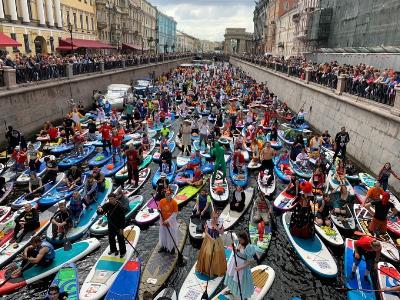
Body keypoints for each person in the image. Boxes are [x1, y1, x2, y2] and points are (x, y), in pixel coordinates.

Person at [224, 231, 260, 299]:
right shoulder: (238, 241)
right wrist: (234, 246)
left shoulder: (249, 247)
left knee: (241, 282)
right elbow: (235, 252)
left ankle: (242, 295)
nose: (239, 241)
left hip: (242, 268)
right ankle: (232, 291)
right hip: (234, 264)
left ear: (244, 239)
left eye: (240, 240)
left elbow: (249, 262)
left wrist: (240, 268)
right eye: (239, 239)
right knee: (232, 278)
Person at [196, 210, 227, 277]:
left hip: (217, 240)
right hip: (209, 240)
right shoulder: (208, 222)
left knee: (217, 255)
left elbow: (222, 233)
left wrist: (217, 228)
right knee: (208, 254)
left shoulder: (220, 223)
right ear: (211, 216)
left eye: (216, 217)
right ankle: (206, 270)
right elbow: (206, 232)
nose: (215, 219)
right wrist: (211, 239)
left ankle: (215, 270)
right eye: (214, 217)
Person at [97, 193, 126, 258]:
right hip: (111, 224)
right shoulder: (107, 205)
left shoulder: (120, 206)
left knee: (120, 239)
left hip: (118, 225)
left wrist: (121, 228)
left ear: (115, 198)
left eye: (112, 199)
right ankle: (113, 250)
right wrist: (99, 210)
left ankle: (123, 252)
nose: (110, 200)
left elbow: (122, 219)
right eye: (109, 199)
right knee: (111, 238)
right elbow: (101, 211)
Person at [158, 188, 179, 254]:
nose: (167, 196)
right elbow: (159, 209)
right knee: (163, 234)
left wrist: (168, 220)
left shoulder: (174, 202)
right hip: (163, 221)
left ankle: (172, 248)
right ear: (165, 195)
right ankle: (163, 246)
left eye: (169, 195)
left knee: (171, 235)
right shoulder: (161, 201)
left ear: (171, 195)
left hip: (171, 223)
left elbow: (175, 213)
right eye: (166, 194)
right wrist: (158, 210)